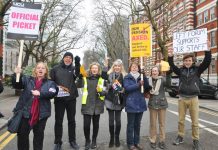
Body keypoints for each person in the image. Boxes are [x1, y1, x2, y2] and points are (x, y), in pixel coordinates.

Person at [168, 45, 211, 150]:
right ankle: (180, 136)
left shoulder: (197, 70)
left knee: (195, 122)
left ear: (192, 61)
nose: (187, 62)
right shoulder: (180, 71)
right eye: (185, 60)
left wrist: (208, 50)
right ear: (183, 62)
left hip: (193, 99)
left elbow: (206, 62)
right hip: (182, 98)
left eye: (189, 60)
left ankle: (196, 140)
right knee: (181, 120)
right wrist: (170, 56)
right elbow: (172, 65)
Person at [12, 62, 58, 150]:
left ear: (46, 71)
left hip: (41, 115)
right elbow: (17, 85)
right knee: (22, 137)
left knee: (38, 138)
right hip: (25, 113)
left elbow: (53, 92)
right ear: (35, 70)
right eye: (38, 68)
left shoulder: (50, 83)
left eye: (43, 68)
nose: (40, 69)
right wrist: (16, 74)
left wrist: (40, 93)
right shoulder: (27, 79)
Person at [50, 52, 81, 150]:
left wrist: (77, 63)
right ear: (63, 58)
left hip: (71, 99)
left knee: (71, 121)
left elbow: (78, 73)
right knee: (58, 121)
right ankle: (58, 142)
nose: (68, 59)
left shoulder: (73, 69)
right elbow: (51, 83)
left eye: (70, 58)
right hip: (59, 99)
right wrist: (53, 92)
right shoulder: (55, 69)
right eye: (66, 57)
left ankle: (72, 141)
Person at [77, 62, 107, 150]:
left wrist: (101, 92)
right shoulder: (85, 78)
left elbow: (106, 90)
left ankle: (94, 140)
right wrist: (79, 78)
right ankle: (87, 141)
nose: (94, 69)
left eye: (96, 68)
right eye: (93, 68)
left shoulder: (102, 79)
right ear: (90, 69)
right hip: (87, 104)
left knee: (95, 125)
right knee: (86, 125)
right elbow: (78, 85)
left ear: (98, 70)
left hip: (98, 105)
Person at [123, 62, 150, 150]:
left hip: (140, 103)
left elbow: (146, 86)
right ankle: (130, 144)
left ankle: (136, 142)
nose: (134, 68)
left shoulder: (141, 76)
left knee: (137, 125)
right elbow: (127, 88)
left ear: (138, 68)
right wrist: (138, 84)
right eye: (132, 67)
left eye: (136, 67)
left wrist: (144, 74)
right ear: (130, 68)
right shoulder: (127, 77)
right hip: (131, 104)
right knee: (130, 125)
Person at [103, 59, 126, 148]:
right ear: (113, 67)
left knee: (118, 121)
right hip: (109, 100)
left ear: (121, 67)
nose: (117, 67)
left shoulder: (124, 76)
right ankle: (111, 138)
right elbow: (104, 80)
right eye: (115, 66)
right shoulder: (109, 75)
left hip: (119, 101)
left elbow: (125, 88)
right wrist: (109, 85)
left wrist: (122, 90)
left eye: (118, 66)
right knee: (111, 122)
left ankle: (117, 138)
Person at [148, 66, 168, 149]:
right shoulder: (148, 80)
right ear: (151, 72)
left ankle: (162, 141)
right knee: (153, 124)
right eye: (153, 71)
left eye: (156, 71)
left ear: (158, 72)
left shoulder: (163, 79)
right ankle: (153, 140)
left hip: (162, 104)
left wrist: (169, 74)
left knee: (162, 124)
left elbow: (169, 84)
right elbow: (145, 90)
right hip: (152, 104)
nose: (154, 72)